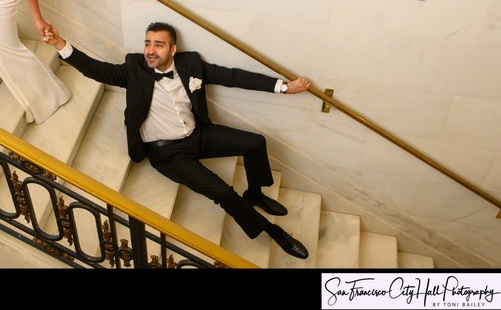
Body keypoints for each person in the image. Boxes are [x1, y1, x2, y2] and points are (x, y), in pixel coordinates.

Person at [43, 21, 312, 259]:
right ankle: (273, 231)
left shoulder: (190, 64)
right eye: (147, 43)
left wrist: (284, 87)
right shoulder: (134, 68)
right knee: (223, 193)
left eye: (158, 45)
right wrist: (59, 44)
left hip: (198, 135)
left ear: (173, 50)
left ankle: (255, 194)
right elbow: (96, 70)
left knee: (255, 143)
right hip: (168, 154)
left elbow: (232, 76)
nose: (150, 50)